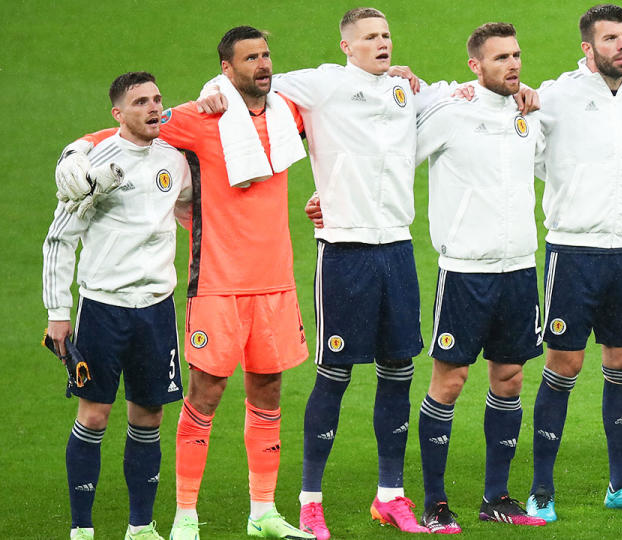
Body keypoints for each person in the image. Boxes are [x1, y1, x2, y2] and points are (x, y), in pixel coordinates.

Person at [191, 8, 538, 538]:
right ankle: (311, 500)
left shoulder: (408, 92)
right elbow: (255, 80)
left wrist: (520, 89)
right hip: (345, 252)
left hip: (396, 250)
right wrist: (214, 88)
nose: (382, 44)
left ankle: (391, 496)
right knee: (335, 376)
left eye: (387, 36)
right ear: (346, 46)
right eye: (370, 37)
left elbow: (477, 90)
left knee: (398, 372)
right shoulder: (323, 85)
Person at [55, 27, 313, 540]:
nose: (263, 65)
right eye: (250, 58)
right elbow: (128, 130)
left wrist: (401, 76)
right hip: (215, 281)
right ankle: (186, 517)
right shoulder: (200, 116)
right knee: (206, 392)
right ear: (226, 67)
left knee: (268, 390)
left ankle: (263, 512)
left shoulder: (290, 114)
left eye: (266, 56)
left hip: (276, 281)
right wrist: (74, 152)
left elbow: (349, 112)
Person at [525, 4, 622, 521]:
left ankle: (621, 485)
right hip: (574, 251)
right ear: (588, 47)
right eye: (611, 39)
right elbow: (525, 142)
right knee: (564, 364)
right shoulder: (559, 93)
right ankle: (541, 490)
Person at [43, 71, 191, 540]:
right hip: (103, 309)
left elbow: (195, 206)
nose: (153, 108)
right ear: (117, 114)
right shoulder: (93, 165)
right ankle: (81, 529)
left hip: (156, 309)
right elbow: (59, 240)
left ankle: (140, 527)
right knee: (94, 415)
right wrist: (58, 314)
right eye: (140, 101)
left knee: (149, 416)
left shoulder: (175, 160)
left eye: (157, 99)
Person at [413, 22, 548, 532]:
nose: (512, 65)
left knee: (509, 379)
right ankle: (435, 501)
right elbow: (397, 158)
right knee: (450, 380)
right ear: (474, 65)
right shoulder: (451, 113)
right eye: (500, 59)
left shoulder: (526, 115)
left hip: (518, 270)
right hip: (466, 272)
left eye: (516, 56)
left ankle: (497, 497)